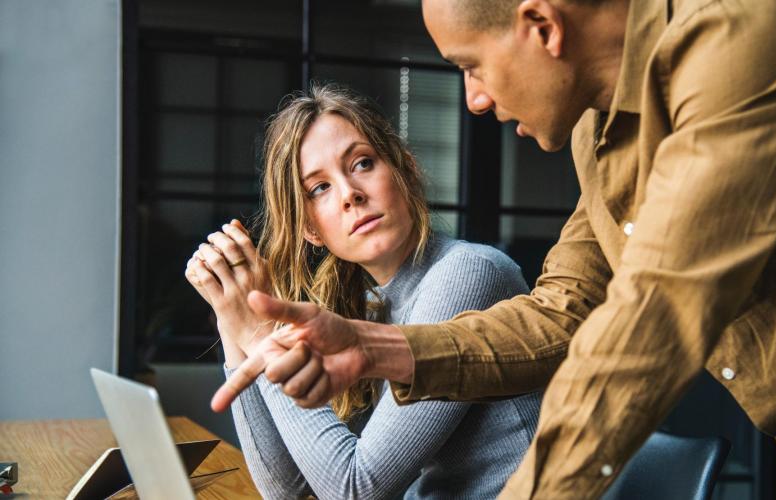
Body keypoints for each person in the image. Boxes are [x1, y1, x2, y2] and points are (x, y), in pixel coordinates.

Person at [214, 0, 776, 498]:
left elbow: (652, 319)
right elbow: (562, 311)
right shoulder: (599, 135)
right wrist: (376, 348)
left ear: (541, 25)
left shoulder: (747, 40)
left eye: (471, 66)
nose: (474, 99)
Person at [187, 84, 542, 499]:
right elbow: (288, 491)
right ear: (310, 229)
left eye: (362, 163)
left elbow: (356, 491)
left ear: (405, 169)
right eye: (319, 188)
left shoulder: (467, 274)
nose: (349, 194)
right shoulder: (371, 307)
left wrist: (260, 336)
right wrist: (233, 317)